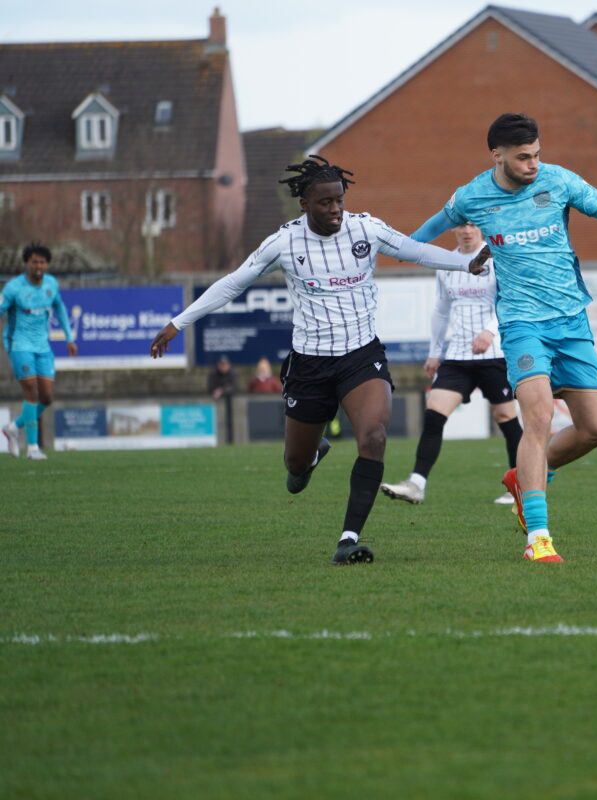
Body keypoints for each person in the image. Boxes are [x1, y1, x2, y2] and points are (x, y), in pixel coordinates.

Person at [149, 155, 485, 565]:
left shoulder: (367, 229)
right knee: (294, 467)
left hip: (361, 355)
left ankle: (348, 539)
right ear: (305, 204)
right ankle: (309, 457)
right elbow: (233, 283)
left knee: (374, 436)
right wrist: (178, 323)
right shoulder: (284, 242)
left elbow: (415, 251)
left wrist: (466, 263)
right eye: (325, 203)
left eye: (339, 200)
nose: (335, 209)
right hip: (310, 364)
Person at [412, 113, 597, 562]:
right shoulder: (471, 197)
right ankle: (538, 538)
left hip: (572, 321)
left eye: (537, 154)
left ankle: (525, 477)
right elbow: (418, 240)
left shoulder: (559, 181)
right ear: (497, 155)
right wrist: (387, 252)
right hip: (522, 325)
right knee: (540, 417)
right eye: (523, 157)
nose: (533, 164)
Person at [380, 223, 522, 506]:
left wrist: (489, 332)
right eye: (461, 224)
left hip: (494, 354)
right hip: (457, 356)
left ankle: (520, 486)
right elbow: (441, 311)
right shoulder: (447, 264)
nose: (467, 230)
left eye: (472, 224)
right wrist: (435, 353)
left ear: (480, 228)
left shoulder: (498, 260)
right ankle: (416, 485)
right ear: (455, 229)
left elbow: (510, 302)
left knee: (506, 418)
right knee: (434, 413)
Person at [2, 244, 78, 460]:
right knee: (31, 392)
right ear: (27, 263)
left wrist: (69, 338)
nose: (38, 266)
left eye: (42, 262)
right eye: (34, 262)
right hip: (19, 344)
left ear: (47, 265)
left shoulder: (51, 284)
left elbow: (60, 308)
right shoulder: (13, 288)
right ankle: (32, 448)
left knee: (46, 397)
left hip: (43, 347)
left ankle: (13, 428)